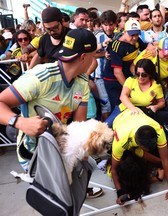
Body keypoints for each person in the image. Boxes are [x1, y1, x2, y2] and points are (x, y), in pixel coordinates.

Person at [0, 28, 103, 199]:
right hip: (34, 154)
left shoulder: (82, 82)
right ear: (84, 57)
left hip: (61, 150)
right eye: (93, 56)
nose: (94, 61)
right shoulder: (40, 77)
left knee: (86, 168)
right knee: (56, 202)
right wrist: (20, 122)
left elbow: (78, 126)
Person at [111, 108, 168, 205]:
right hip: (121, 120)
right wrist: (120, 193)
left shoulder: (158, 130)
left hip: (137, 115)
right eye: (146, 149)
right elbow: (114, 169)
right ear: (138, 144)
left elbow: (164, 161)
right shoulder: (121, 142)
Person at [103, 19, 147, 111]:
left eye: (137, 34)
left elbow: (146, 50)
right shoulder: (116, 46)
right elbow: (117, 72)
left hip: (129, 77)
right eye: (132, 35)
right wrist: (128, 88)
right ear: (125, 32)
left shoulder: (137, 40)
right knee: (118, 107)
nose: (135, 37)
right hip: (113, 80)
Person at [93, 10, 117, 121]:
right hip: (100, 76)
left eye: (111, 25)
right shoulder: (98, 35)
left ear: (115, 24)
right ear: (102, 24)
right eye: (105, 25)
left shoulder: (118, 36)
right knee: (105, 105)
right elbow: (90, 54)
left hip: (113, 76)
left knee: (113, 104)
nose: (108, 28)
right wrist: (103, 51)